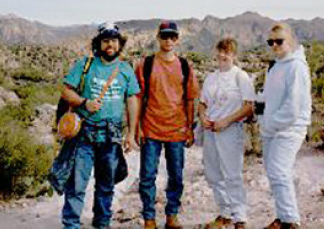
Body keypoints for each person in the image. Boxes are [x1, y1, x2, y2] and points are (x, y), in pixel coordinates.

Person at [60, 22, 140, 229]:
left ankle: (101, 223)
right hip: (85, 134)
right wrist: (84, 102)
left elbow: (132, 100)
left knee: (106, 185)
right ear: (99, 43)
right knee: (77, 183)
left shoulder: (125, 69)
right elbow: (66, 91)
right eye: (106, 41)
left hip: (111, 135)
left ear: (119, 44)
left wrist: (131, 134)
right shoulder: (85, 65)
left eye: (114, 40)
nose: (110, 45)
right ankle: (71, 225)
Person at [135, 20, 199, 229]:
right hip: (151, 127)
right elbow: (138, 98)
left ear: (177, 39)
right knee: (147, 177)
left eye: (172, 36)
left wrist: (190, 128)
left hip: (177, 129)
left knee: (177, 177)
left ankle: (172, 215)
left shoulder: (184, 66)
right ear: (158, 38)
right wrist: (137, 127)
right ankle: (149, 218)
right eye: (165, 36)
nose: (168, 40)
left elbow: (190, 99)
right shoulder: (146, 65)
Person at [198, 38, 255, 229]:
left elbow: (248, 107)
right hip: (211, 130)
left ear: (234, 55)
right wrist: (202, 116)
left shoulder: (241, 77)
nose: (223, 55)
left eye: (228, 52)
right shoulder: (211, 78)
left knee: (232, 174)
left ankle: (240, 217)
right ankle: (225, 213)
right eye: (221, 51)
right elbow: (203, 102)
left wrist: (227, 120)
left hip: (230, 130)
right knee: (213, 173)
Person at [262, 22, 311, 229]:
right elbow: (271, 97)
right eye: (271, 42)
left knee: (279, 171)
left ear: (290, 40)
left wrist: (271, 122)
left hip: (289, 129)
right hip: (272, 129)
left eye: (279, 41)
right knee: (276, 172)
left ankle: (291, 221)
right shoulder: (276, 66)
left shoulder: (296, 66)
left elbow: (294, 105)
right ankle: (284, 217)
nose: (275, 45)